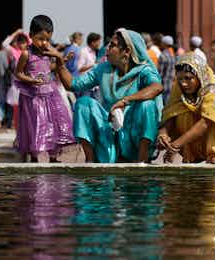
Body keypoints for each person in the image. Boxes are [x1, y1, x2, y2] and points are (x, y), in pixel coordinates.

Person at [50, 28, 163, 163]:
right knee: (83, 103)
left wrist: (125, 100)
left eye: (113, 45)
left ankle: (142, 160)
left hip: (133, 132)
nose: (107, 48)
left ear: (126, 52)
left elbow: (157, 87)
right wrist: (60, 63)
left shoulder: (144, 71)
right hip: (110, 128)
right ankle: (90, 161)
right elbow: (72, 84)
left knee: (147, 105)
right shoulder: (103, 69)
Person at [157, 53, 215, 164]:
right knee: (183, 114)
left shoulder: (214, 87)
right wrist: (163, 134)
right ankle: (192, 155)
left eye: (188, 78)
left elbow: (205, 123)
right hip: (196, 136)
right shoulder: (178, 88)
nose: (183, 83)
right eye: (180, 79)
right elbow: (171, 113)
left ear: (199, 75)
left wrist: (175, 145)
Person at [14, 15, 75, 162]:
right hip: (33, 96)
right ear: (31, 36)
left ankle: (53, 156)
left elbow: (50, 68)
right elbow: (18, 73)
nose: (44, 43)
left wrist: (62, 60)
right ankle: (34, 156)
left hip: (50, 93)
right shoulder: (26, 54)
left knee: (54, 123)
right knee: (37, 124)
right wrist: (31, 80)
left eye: (47, 39)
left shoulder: (48, 52)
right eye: (40, 39)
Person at [158, 35, 176, 103]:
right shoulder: (172, 55)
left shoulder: (163, 55)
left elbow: (160, 74)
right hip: (171, 85)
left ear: (164, 44)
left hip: (163, 86)